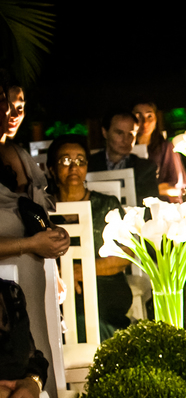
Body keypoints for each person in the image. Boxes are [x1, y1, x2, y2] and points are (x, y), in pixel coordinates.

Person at [0, 74, 69, 398]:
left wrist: (55, 238)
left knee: (43, 357)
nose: (11, 112)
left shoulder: (20, 155)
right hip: (5, 298)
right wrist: (29, 245)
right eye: (4, 103)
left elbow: (35, 216)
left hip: (37, 281)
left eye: (18, 105)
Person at [45, 134, 132, 340]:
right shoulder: (44, 209)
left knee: (92, 311)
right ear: (52, 169)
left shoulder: (107, 205)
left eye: (80, 161)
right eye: (65, 160)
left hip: (105, 284)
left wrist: (77, 271)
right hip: (60, 288)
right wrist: (63, 276)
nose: (73, 167)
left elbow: (125, 256)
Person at [88, 109, 158, 208]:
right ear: (105, 132)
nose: (126, 140)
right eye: (119, 133)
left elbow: (150, 205)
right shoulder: (89, 165)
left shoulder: (146, 168)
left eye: (131, 134)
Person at [132, 101, 186, 203]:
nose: (145, 122)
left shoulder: (166, 147)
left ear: (156, 119)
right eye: (138, 116)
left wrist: (145, 190)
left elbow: (176, 188)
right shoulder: (125, 150)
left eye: (149, 116)